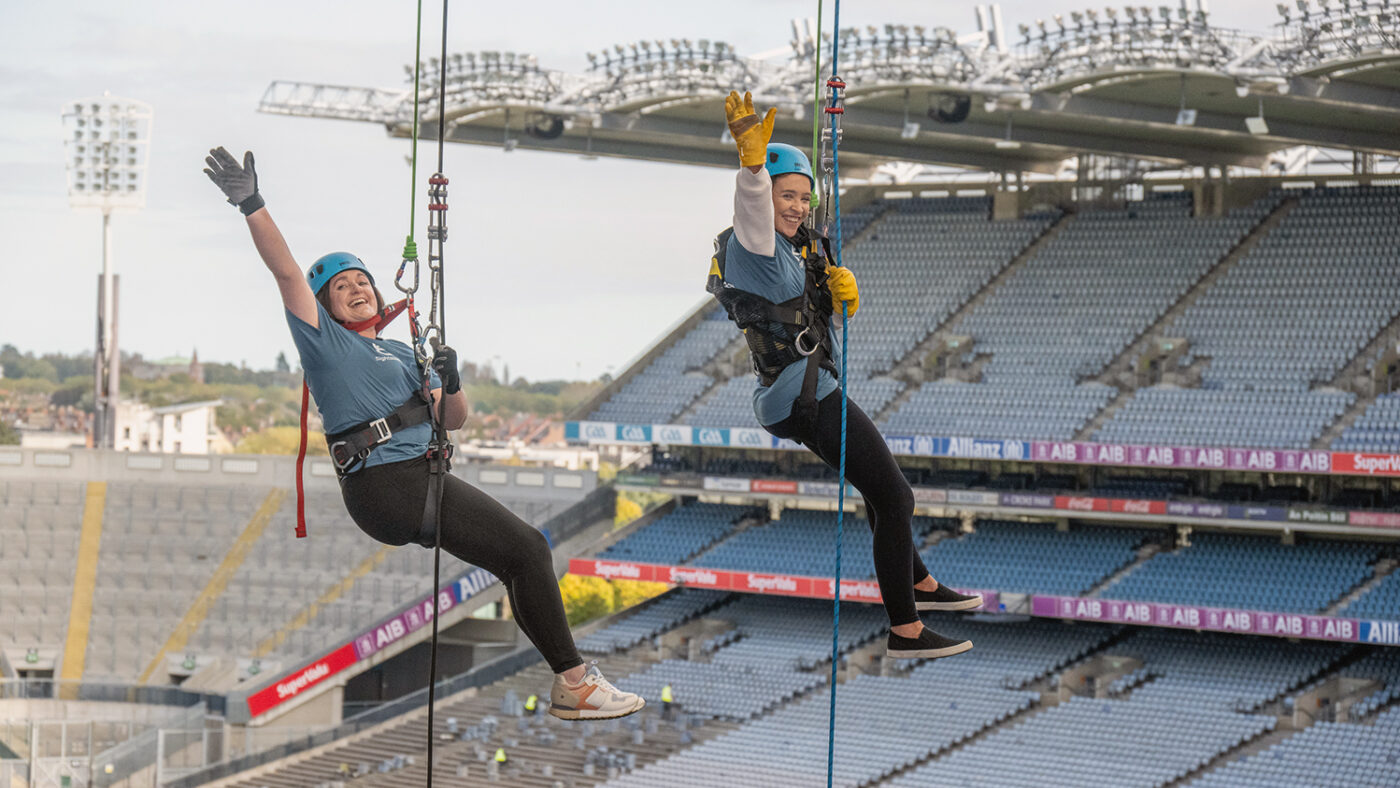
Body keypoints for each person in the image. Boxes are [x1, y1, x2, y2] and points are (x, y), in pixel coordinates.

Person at [203, 146, 644, 721]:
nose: (358, 288)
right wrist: (253, 204)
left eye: (363, 281)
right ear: (324, 306)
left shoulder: (399, 349)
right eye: (342, 287)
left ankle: (572, 680)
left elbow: (453, 417)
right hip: (388, 483)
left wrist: (451, 378)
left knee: (521, 556)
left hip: (415, 476)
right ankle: (575, 682)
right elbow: (286, 270)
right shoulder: (325, 345)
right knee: (528, 550)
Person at [711, 94, 981, 660]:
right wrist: (753, 169)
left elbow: (805, 307)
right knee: (895, 496)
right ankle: (906, 628)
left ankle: (922, 585)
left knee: (877, 493)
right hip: (805, 392)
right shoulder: (753, 244)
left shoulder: (791, 251)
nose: (797, 207)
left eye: (804, 198)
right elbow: (754, 208)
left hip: (802, 390)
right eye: (789, 196)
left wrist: (838, 295)